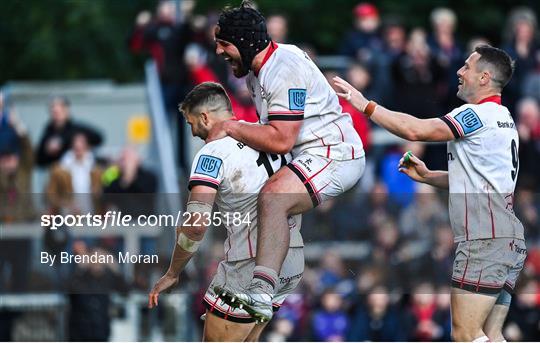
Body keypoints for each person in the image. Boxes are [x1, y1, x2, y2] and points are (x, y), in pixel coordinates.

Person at [334, 45, 527, 342]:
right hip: (508, 237)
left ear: (484, 77)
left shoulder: (476, 114)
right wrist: (427, 176)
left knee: (465, 335)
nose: (459, 72)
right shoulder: (505, 119)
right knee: (490, 333)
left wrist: (365, 105)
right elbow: (476, 180)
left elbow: (415, 131)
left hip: (484, 239)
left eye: (466, 67)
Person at [209, 1, 365, 323]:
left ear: (243, 42)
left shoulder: (282, 69)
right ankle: (267, 289)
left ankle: (262, 293)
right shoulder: (260, 69)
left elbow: (281, 139)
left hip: (333, 152)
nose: (219, 52)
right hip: (311, 153)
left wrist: (232, 127)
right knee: (264, 199)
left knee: (273, 197)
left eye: (224, 44)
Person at [147, 82, 304, 341]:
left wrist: (173, 272)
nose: (193, 131)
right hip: (290, 258)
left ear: (205, 117)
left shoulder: (212, 153)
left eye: (191, 123)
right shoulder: (267, 134)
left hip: (249, 264)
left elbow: (196, 226)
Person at [36, 96, 102, 168]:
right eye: (54, 109)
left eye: (60, 108)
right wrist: (48, 151)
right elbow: (39, 160)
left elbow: (99, 138)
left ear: (67, 110)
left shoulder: (77, 128)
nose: (56, 111)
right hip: (57, 171)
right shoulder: (48, 132)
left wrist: (82, 146)